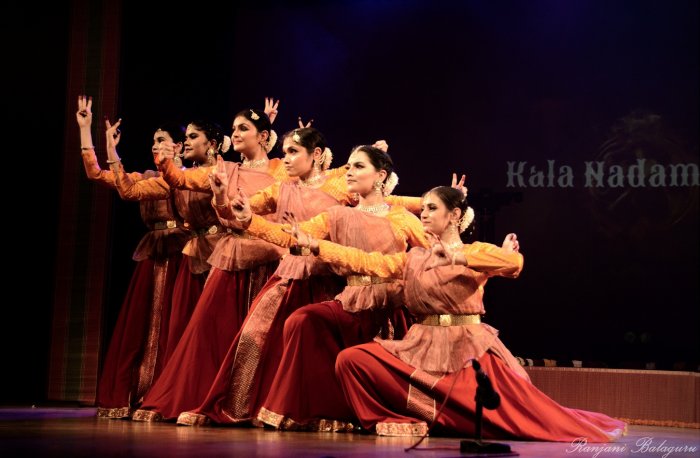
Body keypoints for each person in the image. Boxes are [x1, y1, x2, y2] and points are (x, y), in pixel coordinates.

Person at [290, 186, 627, 442]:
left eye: (432, 208)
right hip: (420, 346)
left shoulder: (474, 252)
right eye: (423, 207)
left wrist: (457, 258)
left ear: (453, 215)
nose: (423, 214)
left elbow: (513, 263)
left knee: (519, 417)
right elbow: (368, 262)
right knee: (351, 360)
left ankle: (452, 418)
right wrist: (318, 245)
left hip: (466, 349)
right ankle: (402, 418)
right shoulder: (414, 257)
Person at [227, 145, 430, 431]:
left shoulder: (402, 218)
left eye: (359, 166)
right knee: (302, 320)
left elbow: (430, 261)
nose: (350, 172)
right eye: (349, 166)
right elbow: (294, 236)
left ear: (381, 175)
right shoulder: (336, 215)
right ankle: (324, 408)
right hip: (350, 301)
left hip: (389, 308)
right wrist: (250, 220)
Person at [131, 106, 289, 422]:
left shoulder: (280, 169)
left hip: (269, 258)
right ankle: (204, 398)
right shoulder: (225, 169)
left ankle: (251, 403)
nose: (236, 133)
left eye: (243, 128)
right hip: (233, 255)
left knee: (259, 338)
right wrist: (165, 159)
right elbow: (182, 180)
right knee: (211, 331)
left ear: (263, 136)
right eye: (235, 128)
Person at [76, 95, 191, 418]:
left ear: (179, 147)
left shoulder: (188, 179)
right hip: (153, 252)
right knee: (142, 325)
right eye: (153, 140)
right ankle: (134, 393)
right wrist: (88, 131)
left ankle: (169, 394)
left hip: (182, 253)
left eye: (162, 140)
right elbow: (98, 175)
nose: (155, 145)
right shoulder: (146, 177)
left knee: (175, 324)